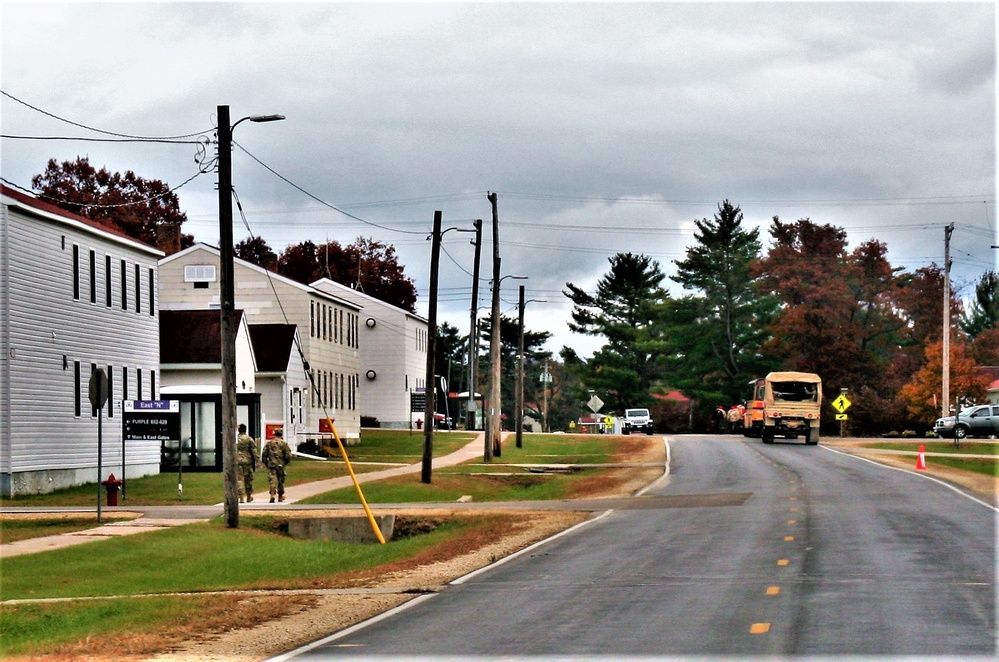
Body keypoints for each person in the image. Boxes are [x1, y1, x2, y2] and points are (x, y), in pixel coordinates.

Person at [261, 428, 292, 503]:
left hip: (272, 464)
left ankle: (272, 494)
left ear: (274, 434)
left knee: (272, 480)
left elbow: (264, 454)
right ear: (281, 434)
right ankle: (280, 496)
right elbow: (288, 455)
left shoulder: (269, 443)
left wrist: (266, 463)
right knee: (281, 480)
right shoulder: (284, 443)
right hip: (281, 464)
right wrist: (286, 462)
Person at [236, 424, 259, 503]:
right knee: (248, 478)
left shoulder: (236, 439)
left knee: (239, 479)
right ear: (245, 430)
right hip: (247, 461)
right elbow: (254, 451)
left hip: (238, 460)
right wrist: (257, 460)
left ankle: (241, 497)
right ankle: (249, 496)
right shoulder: (249, 439)